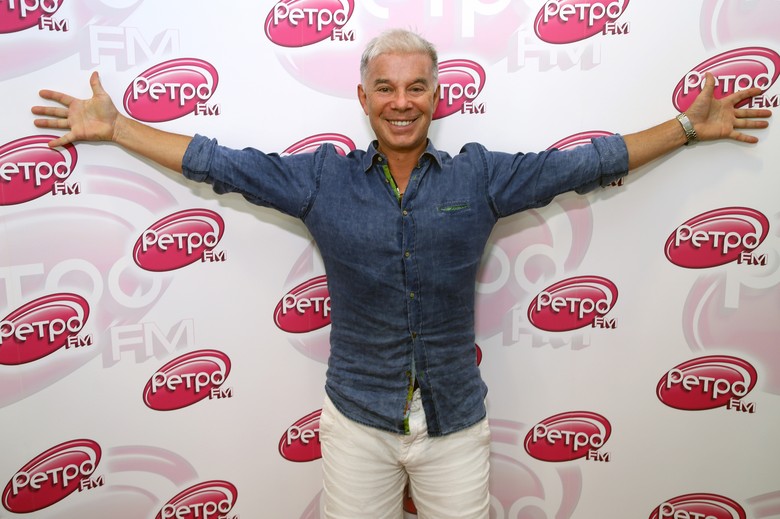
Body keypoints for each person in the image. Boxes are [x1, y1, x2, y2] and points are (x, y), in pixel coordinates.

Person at [32, 29, 770, 519]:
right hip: (356, 422)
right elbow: (217, 163)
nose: (401, 102)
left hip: (456, 426)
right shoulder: (321, 179)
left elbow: (584, 163)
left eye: (416, 87)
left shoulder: (480, 176)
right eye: (385, 88)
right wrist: (117, 127)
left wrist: (685, 129)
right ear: (363, 99)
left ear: (437, 96)